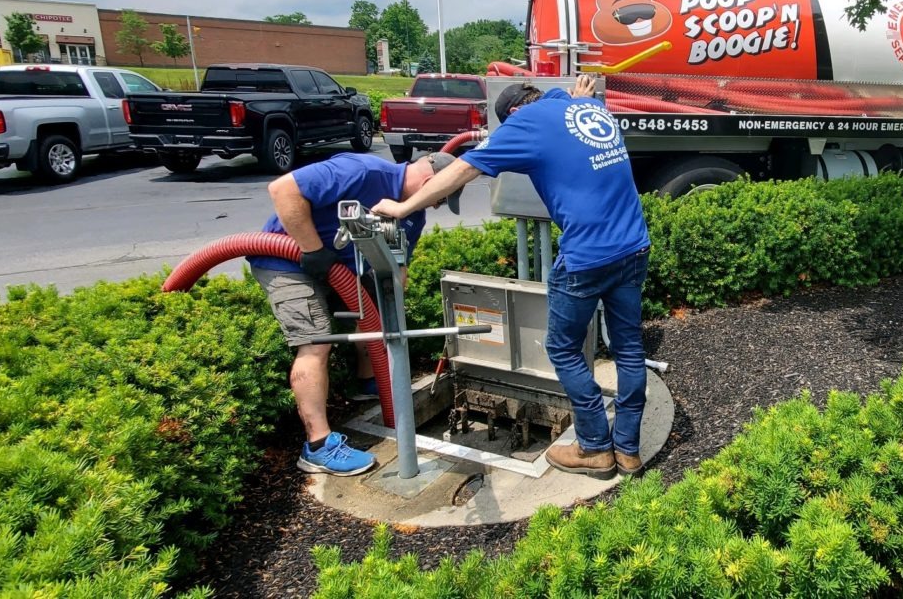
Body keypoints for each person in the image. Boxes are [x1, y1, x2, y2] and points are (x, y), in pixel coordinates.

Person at [374, 74, 651, 480]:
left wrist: (403, 208)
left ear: (515, 113)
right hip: (634, 247)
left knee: (563, 349)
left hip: (587, 257)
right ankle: (627, 450)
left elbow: (463, 169)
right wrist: (578, 97)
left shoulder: (527, 121)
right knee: (628, 350)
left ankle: (594, 447)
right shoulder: (588, 107)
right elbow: (572, 110)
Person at [249, 151, 459, 476]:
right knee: (316, 343)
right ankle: (317, 447)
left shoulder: (412, 216)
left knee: (372, 311)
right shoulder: (361, 171)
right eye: (440, 197)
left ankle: (368, 382)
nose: (435, 205)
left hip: (342, 268)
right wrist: (312, 249)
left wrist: (393, 305)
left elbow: (398, 271)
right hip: (288, 260)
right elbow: (283, 189)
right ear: (430, 183)